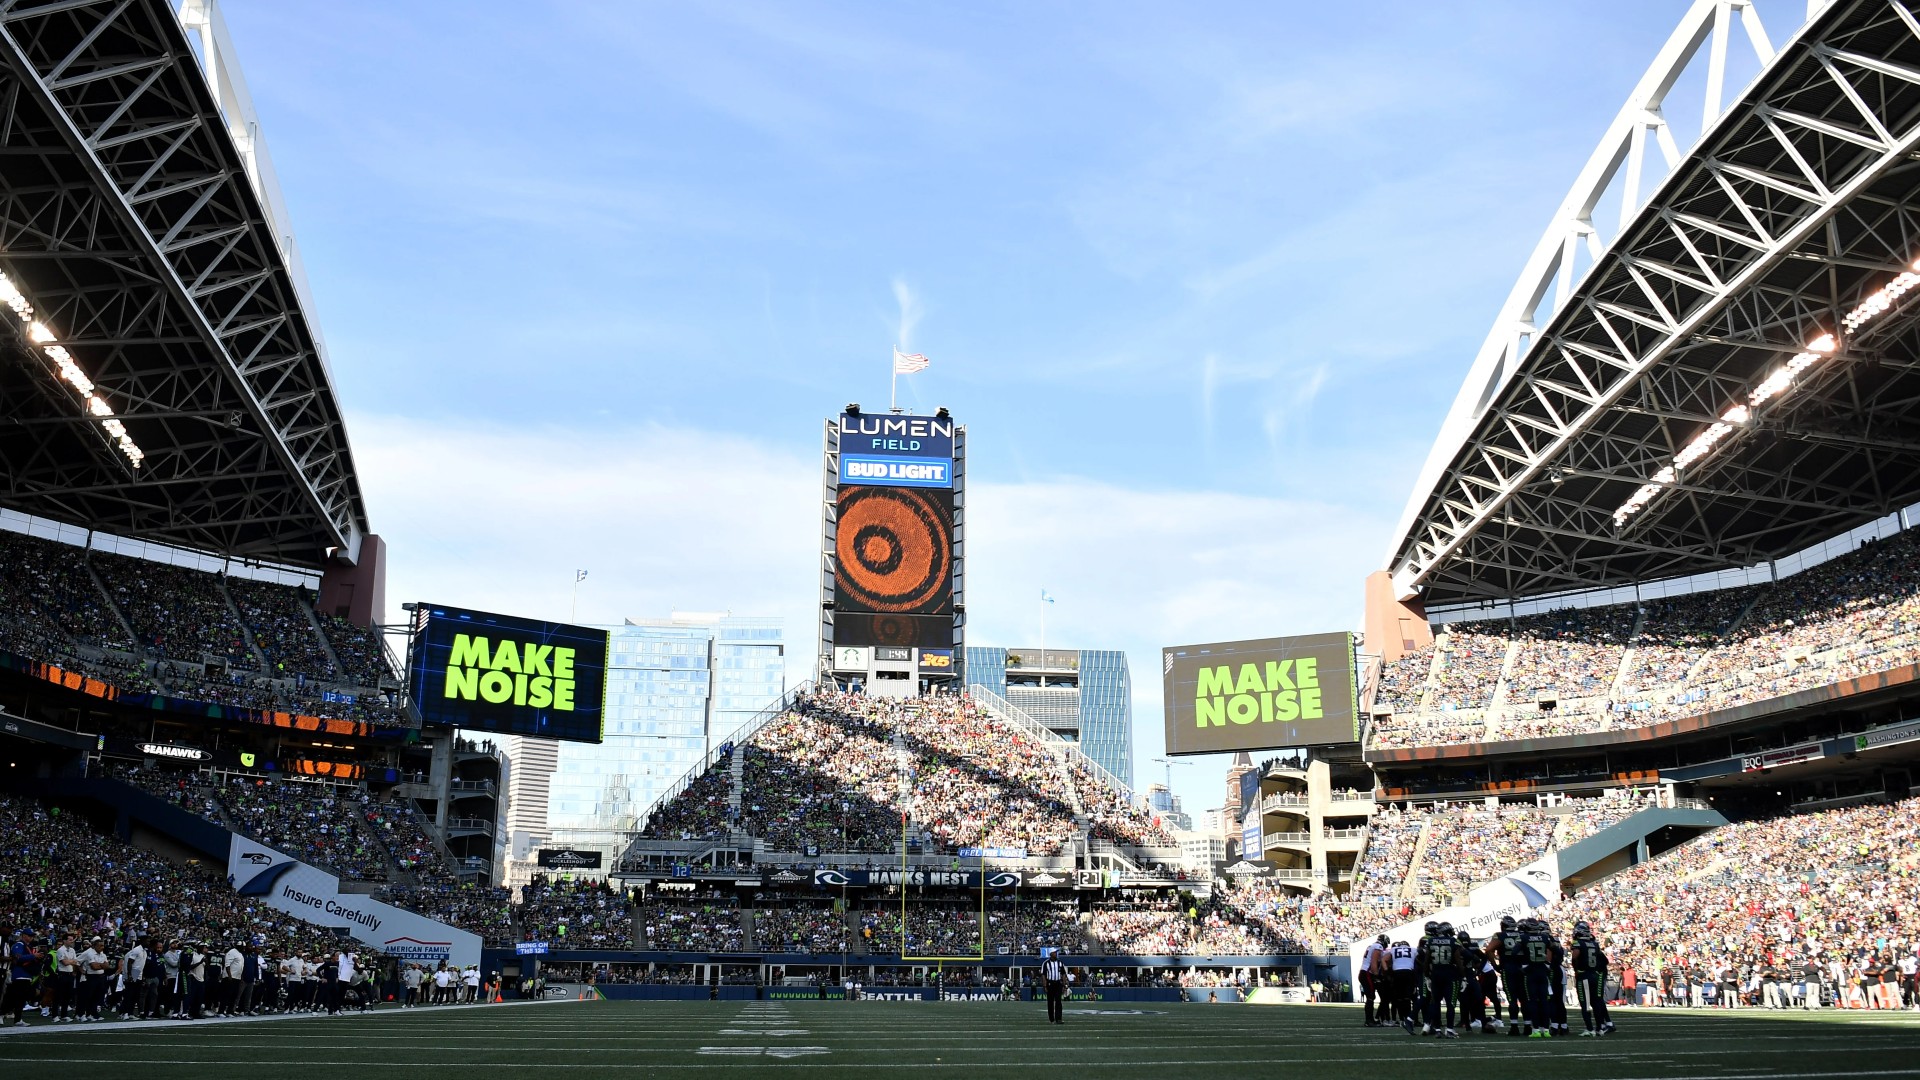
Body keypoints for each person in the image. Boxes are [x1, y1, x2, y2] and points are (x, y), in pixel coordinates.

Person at [1569, 921, 1614, 1036]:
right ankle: (1600, 1028)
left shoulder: (1578, 943)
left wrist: (1576, 966)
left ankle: (1590, 1029)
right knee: (1597, 1002)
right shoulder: (1595, 944)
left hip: (1584, 975)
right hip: (1595, 975)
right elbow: (1602, 959)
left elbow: (1575, 957)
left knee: (1585, 1003)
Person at [1422, 921, 1460, 1038]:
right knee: (1450, 1004)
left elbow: (1426, 961)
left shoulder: (1431, 941)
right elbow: (1458, 961)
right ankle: (1449, 1029)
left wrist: (1427, 976)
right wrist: (1462, 977)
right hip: (1449, 975)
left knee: (1435, 1003)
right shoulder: (1453, 941)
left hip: (1436, 975)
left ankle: (1437, 1029)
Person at [1360, 934, 1386, 1026]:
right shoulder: (1377, 946)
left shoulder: (1371, 946)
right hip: (1367, 973)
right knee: (1370, 997)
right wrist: (1376, 975)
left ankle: (1370, 1020)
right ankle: (1369, 1020)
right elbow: (1374, 962)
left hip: (1365, 972)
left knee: (1371, 997)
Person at [1041, 953, 1067, 1025]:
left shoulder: (1060, 962)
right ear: (1051, 954)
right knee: (1050, 1002)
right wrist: (1045, 986)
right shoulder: (1046, 963)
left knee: (1058, 1001)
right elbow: (1043, 975)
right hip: (1050, 983)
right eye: (1054, 953)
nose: (1056, 954)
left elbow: (1063, 974)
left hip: (1058, 983)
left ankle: (1059, 1018)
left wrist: (1064, 985)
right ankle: (1051, 1019)